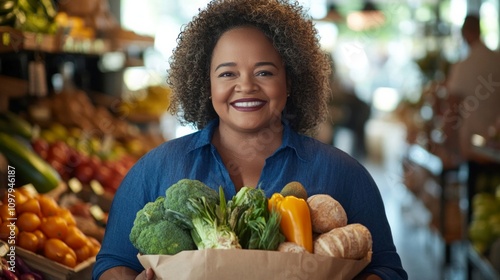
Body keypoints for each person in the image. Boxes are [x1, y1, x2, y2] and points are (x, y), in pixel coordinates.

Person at [92, 0, 407, 279]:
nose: (246, 86)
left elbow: (386, 268)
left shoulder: (343, 173)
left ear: (291, 81)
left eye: (264, 73)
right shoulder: (155, 169)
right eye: (227, 74)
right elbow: (111, 263)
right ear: (207, 84)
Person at [445, 14, 500, 162]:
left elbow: (452, 106)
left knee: (474, 180)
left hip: (472, 142)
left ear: (464, 33)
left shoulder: (464, 65)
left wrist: (449, 139)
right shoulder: (496, 59)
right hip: (495, 138)